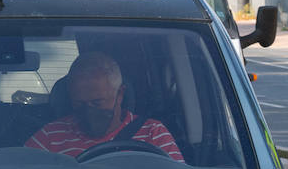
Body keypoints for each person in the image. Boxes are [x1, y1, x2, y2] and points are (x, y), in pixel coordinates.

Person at [26, 52, 183, 161]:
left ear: (120, 94)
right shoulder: (49, 137)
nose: (88, 111)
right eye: (79, 103)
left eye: (97, 102)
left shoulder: (153, 133)